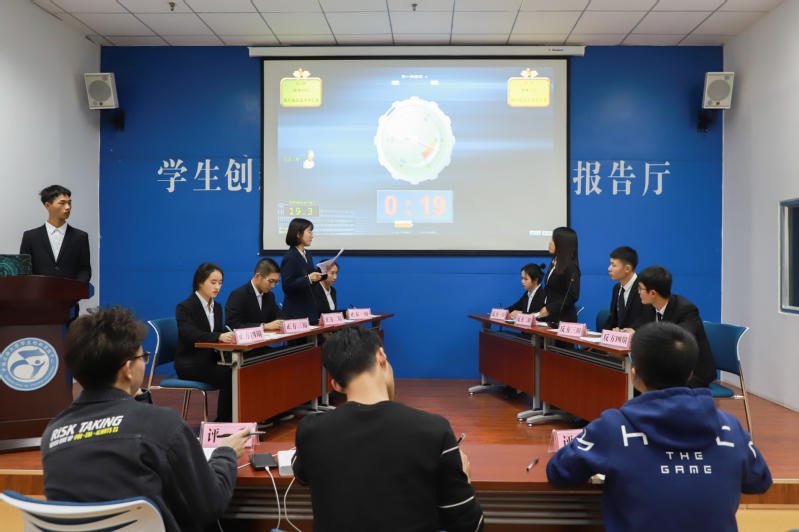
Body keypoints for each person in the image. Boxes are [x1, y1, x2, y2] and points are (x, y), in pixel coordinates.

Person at [41, 305, 252, 532]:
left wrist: (135, 397)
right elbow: (210, 504)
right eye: (143, 357)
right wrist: (226, 453)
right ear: (128, 369)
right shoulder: (164, 424)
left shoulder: (53, 433)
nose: (145, 362)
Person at [546, 322, 771, 532]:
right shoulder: (730, 427)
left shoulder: (611, 428)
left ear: (634, 375)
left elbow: (559, 472)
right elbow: (759, 481)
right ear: (690, 373)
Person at [293, 325, 484, 532]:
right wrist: (463, 477)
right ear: (382, 356)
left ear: (336, 385)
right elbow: (470, 526)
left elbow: (301, 474)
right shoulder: (434, 430)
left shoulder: (311, 430)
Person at [629, 266, 716, 388]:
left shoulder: (686, 310)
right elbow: (638, 325)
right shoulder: (650, 306)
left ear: (653, 293)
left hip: (690, 374)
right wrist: (629, 331)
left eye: (640, 288)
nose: (638, 292)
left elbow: (677, 341)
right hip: (666, 369)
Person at [174, 263, 235, 422]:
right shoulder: (184, 307)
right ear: (200, 282)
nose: (217, 287)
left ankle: (238, 418)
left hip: (208, 359)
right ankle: (223, 423)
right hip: (189, 363)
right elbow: (191, 334)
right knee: (230, 375)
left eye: (220, 283)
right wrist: (219, 336)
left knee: (239, 369)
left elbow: (218, 334)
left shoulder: (217, 307)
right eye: (213, 282)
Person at [20, 185, 91, 283]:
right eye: (62, 203)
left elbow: (84, 269)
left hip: (70, 291)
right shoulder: (30, 237)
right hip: (39, 291)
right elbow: (24, 269)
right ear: (48, 206)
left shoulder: (80, 237)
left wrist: (76, 288)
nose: (68, 207)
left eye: (69, 203)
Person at [281, 218, 326, 324]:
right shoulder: (290, 256)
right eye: (309, 232)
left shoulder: (308, 254)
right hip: (296, 313)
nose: (312, 236)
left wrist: (322, 272)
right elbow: (287, 285)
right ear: (298, 234)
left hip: (310, 310)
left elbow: (307, 276)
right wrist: (309, 278)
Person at [225, 258, 285, 332]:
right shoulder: (238, 295)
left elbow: (280, 316)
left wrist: (280, 322)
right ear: (257, 276)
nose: (273, 286)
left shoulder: (269, 296)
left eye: (276, 282)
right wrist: (264, 326)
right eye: (271, 281)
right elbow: (234, 325)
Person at [537, 227, 580, 325]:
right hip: (550, 317)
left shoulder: (570, 266)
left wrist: (550, 308)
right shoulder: (555, 263)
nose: (550, 243)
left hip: (563, 320)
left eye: (553, 240)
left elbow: (573, 296)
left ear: (562, 244)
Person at [602, 246, 644, 331]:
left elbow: (647, 320)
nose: (609, 268)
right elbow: (613, 318)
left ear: (627, 268)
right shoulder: (617, 288)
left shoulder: (644, 288)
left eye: (613, 265)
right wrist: (604, 334)